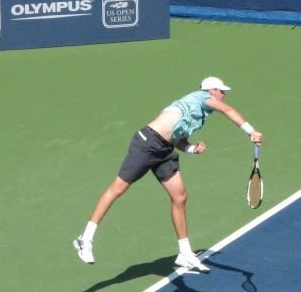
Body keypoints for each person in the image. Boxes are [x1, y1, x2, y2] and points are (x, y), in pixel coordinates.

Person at [73, 77, 264, 273]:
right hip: (147, 143)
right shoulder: (201, 97)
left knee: (180, 197)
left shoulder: (199, 116)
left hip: (165, 150)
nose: (223, 95)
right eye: (221, 91)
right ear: (211, 90)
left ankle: (184, 254)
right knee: (118, 188)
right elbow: (228, 110)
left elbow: (178, 140)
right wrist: (251, 131)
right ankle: (84, 239)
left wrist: (191, 149)